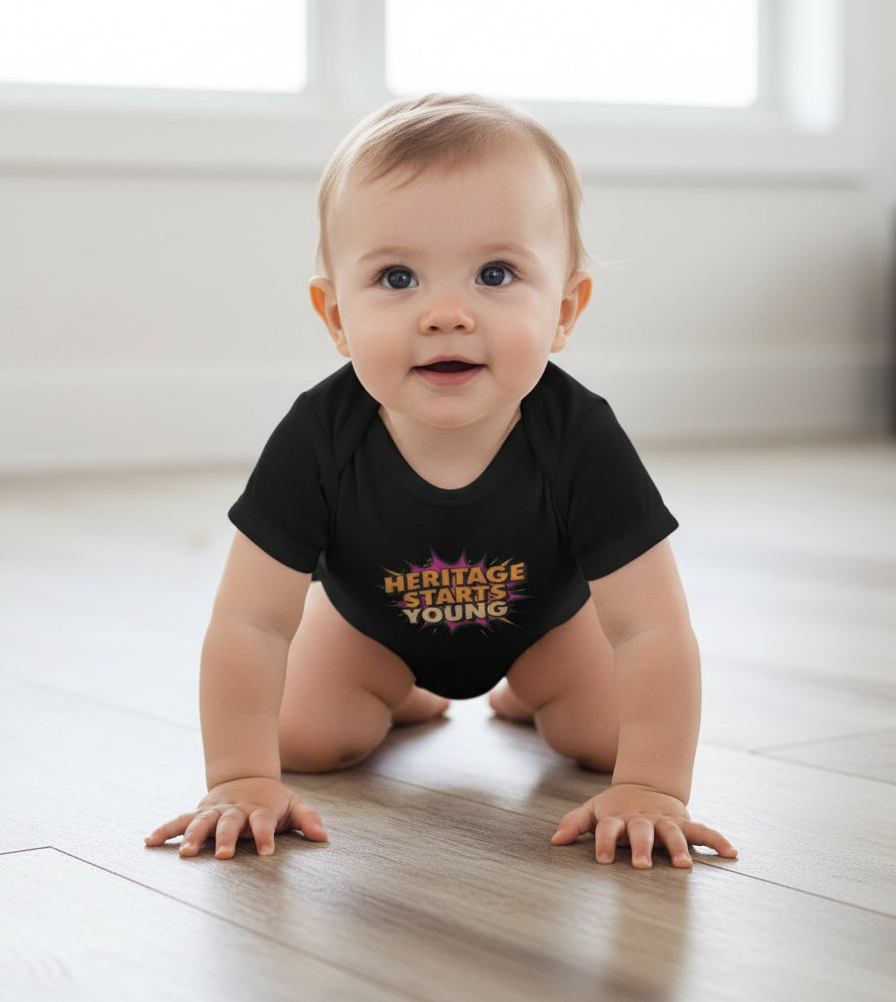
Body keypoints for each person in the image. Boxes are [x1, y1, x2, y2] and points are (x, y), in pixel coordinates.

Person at [145, 93, 737, 869]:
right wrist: (239, 777)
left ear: (564, 310)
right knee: (303, 741)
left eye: (495, 274)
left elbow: (651, 626)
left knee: (609, 741)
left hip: (548, 628)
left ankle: (527, 691)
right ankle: (400, 691)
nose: (447, 313)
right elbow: (251, 622)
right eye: (397, 278)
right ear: (335, 317)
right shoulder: (319, 436)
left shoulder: (579, 436)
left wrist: (655, 789)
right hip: (370, 628)